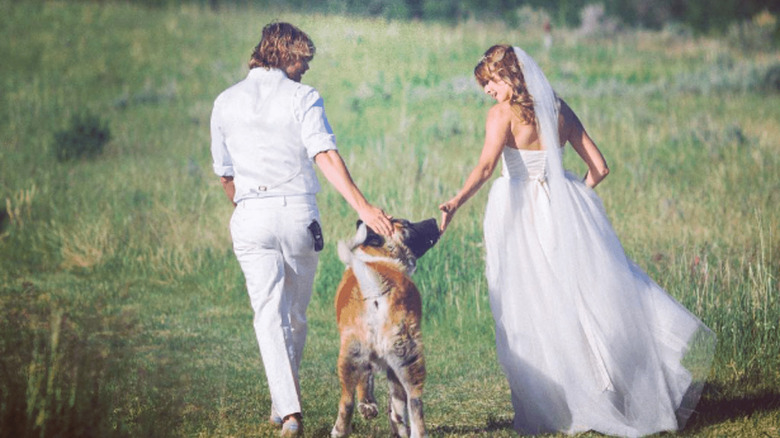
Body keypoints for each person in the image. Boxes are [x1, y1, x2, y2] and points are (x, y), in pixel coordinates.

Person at [438, 45, 715, 437]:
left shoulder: (501, 115)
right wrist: (572, 199)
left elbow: (485, 167)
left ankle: (568, 404)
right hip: (567, 209)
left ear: (509, 77)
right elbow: (599, 167)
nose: (486, 91)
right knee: (586, 300)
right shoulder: (559, 109)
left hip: (521, 215)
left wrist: (455, 202)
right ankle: (609, 393)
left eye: (490, 81)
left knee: (535, 308)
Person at [209, 22, 393, 437]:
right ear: (282, 53)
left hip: (250, 212)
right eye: (302, 60)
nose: (307, 68)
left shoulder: (224, 101)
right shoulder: (303, 98)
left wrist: (249, 208)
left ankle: (285, 408)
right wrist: (362, 206)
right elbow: (324, 154)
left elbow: (224, 175)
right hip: (297, 215)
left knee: (269, 314)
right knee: (294, 314)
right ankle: (289, 410)